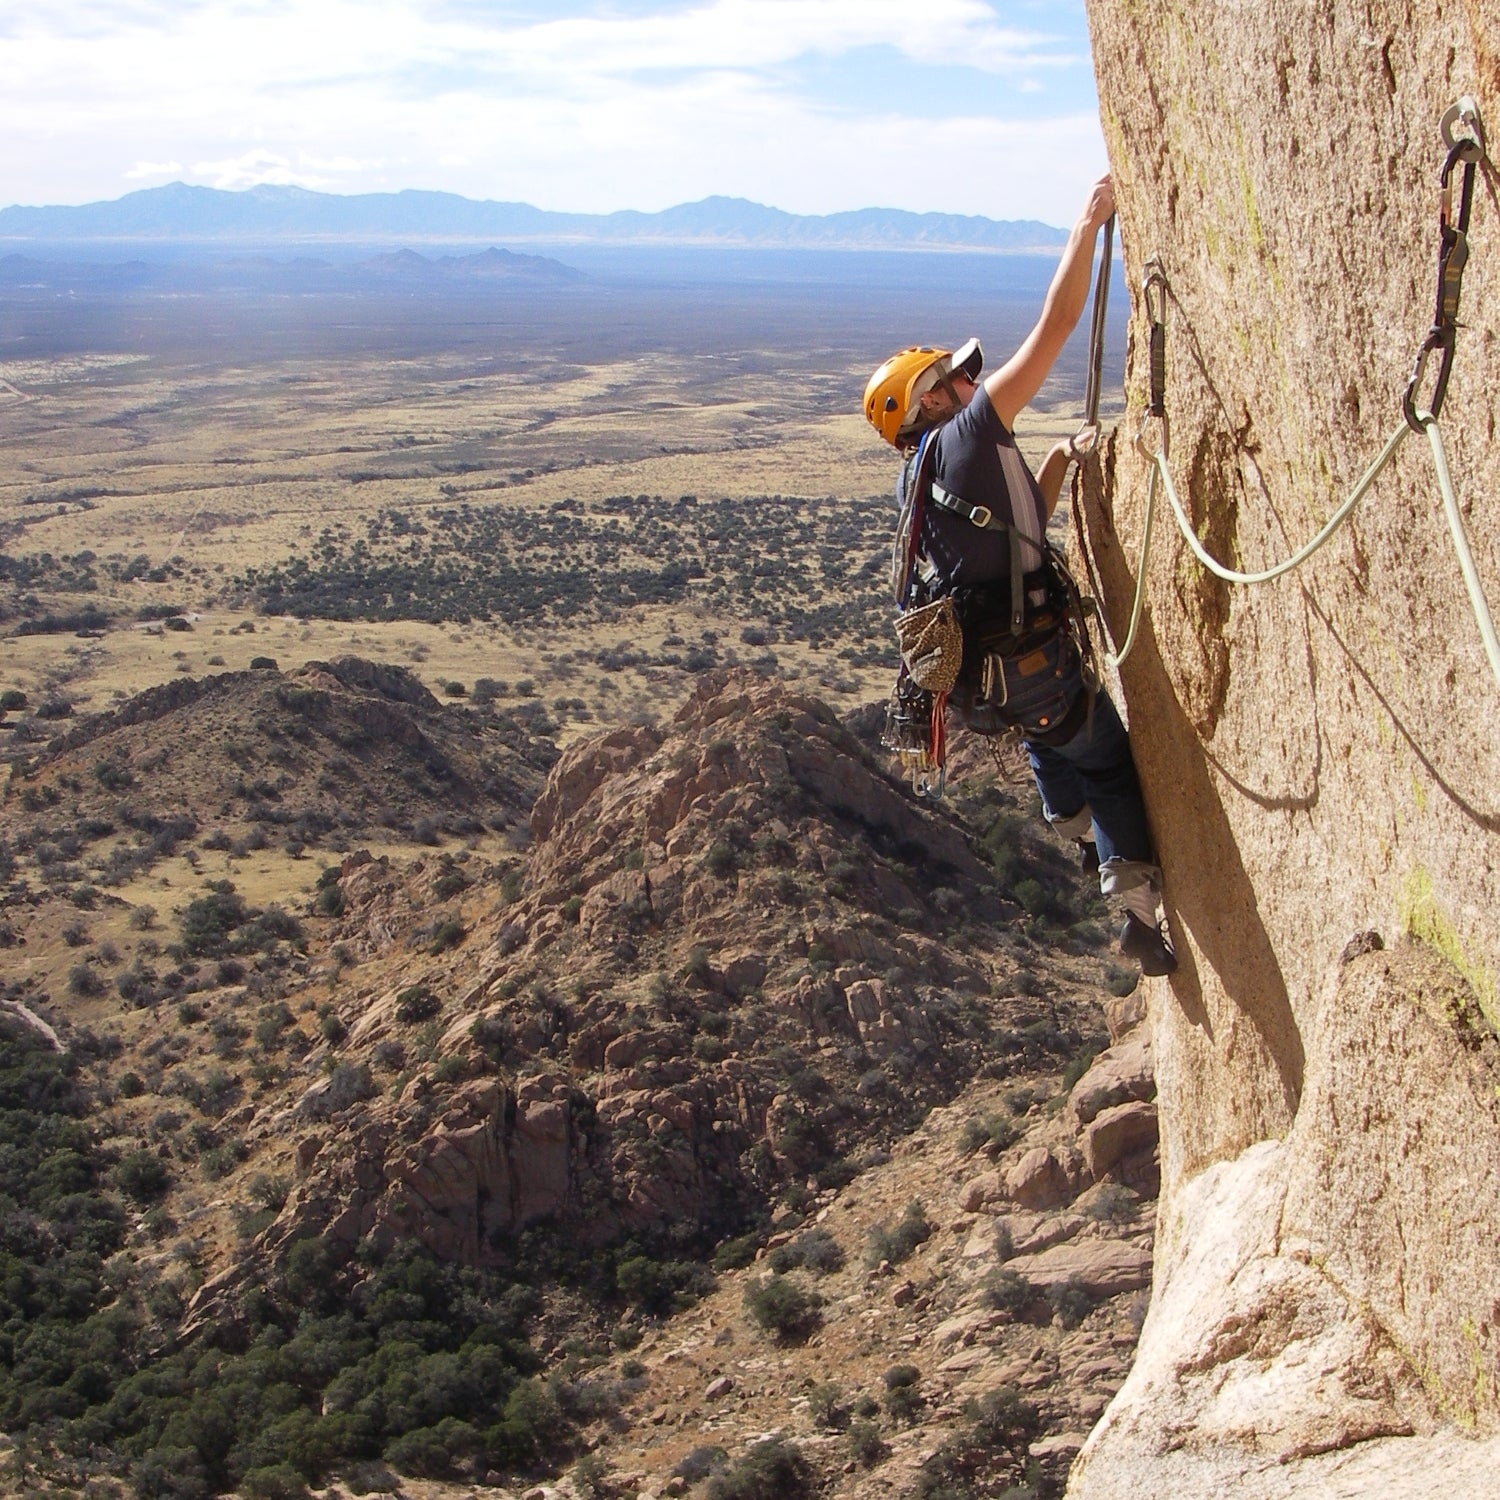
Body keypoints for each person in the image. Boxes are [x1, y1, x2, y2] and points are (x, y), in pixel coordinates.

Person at [862, 175, 1176, 976]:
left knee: (1048, 736)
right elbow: (1058, 324)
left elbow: (1003, 541)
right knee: (1101, 753)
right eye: (954, 376)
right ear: (932, 401)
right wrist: (1087, 225)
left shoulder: (918, 478)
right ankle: (1135, 908)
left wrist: (1058, 473)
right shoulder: (967, 431)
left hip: (987, 683)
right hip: (1034, 664)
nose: (972, 378)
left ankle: (1068, 826)